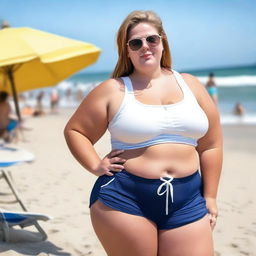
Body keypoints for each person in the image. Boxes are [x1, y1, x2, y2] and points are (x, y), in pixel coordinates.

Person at [64, 10, 223, 256]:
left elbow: (211, 145)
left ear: (162, 41)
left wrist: (210, 196)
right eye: (135, 43)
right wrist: (95, 165)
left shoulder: (191, 84)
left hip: (188, 200)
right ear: (127, 50)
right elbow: (75, 130)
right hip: (125, 198)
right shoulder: (113, 90)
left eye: (152, 39)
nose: (145, 47)